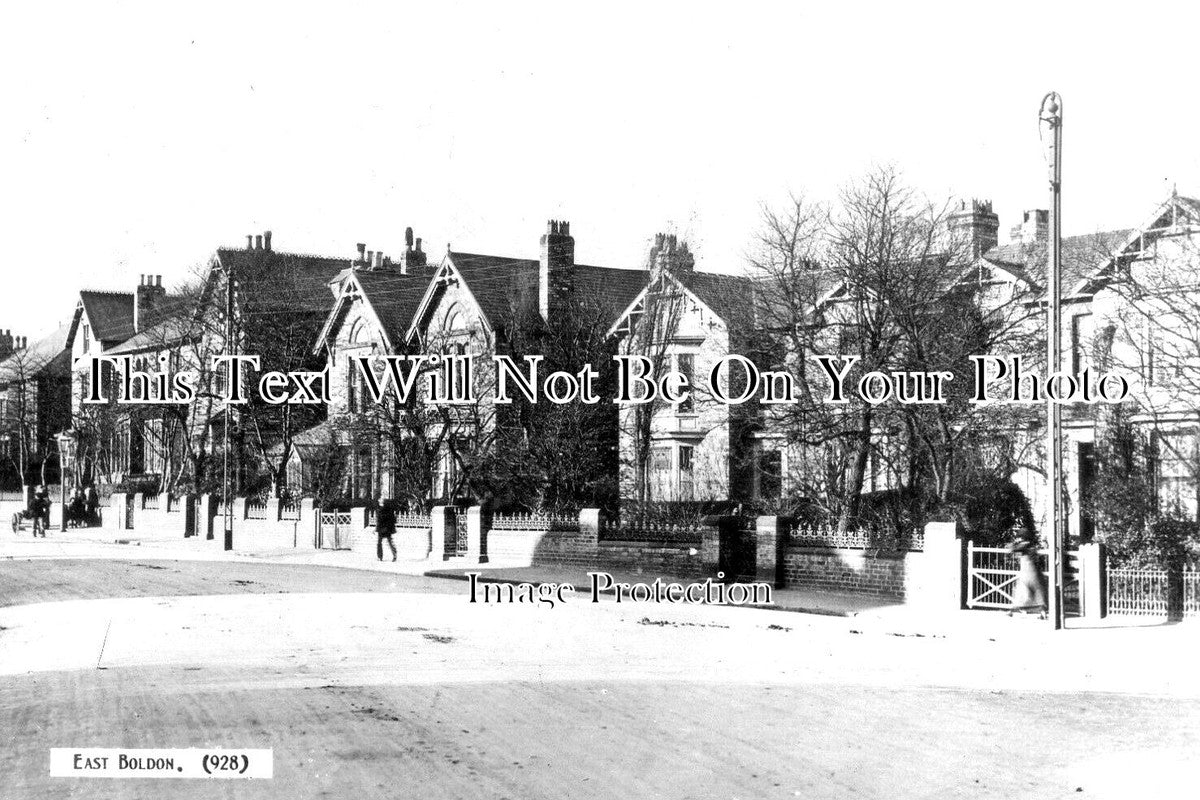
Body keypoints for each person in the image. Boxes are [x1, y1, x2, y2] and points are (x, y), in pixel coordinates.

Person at [1008, 531, 1047, 619]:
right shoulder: (1032, 546)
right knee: (1037, 591)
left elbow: (1012, 549)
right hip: (1033, 570)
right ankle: (1042, 612)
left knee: (1022, 591)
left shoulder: (1025, 544)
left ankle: (1013, 610)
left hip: (1028, 571)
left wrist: (1013, 543)